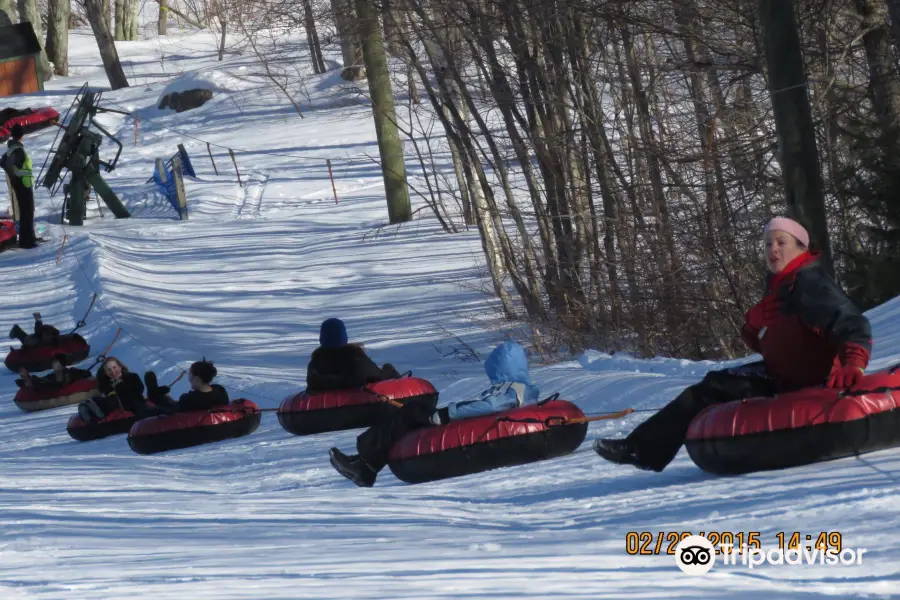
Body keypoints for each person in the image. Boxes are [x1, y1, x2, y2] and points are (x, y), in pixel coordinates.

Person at [594, 216, 873, 473]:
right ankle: (641, 449)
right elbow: (766, 342)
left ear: (801, 248)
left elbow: (851, 324)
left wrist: (854, 362)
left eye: (781, 242)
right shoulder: (780, 283)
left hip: (810, 380)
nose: (773, 249)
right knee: (715, 381)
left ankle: (639, 450)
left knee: (708, 391)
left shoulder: (811, 282)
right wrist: (752, 325)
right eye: (767, 244)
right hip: (781, 373)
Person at [329, 341, 541, 487]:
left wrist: (449, 413)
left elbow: (489, 405)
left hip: (465, 423)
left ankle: (364, 465)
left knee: (411, 411)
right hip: (471, 422)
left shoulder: (509, 388)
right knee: (409, 418)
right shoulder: (524, 388)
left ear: (501, 366)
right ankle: (365, 464)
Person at [306, 318, 401, 393]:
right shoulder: (354, 356)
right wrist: (390, 371)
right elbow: (374, 375)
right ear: (344, 337)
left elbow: (314, 383)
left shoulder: (316, 361)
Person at [78, 357, 150, 423]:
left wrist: (122, 385)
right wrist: (115, 387)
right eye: (109, 370)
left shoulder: (132, 376)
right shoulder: (105, 382)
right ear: (105, 372)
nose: (112, 371)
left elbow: (139, 389)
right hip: (118, 406)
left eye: (114, 367)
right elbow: (108, 395)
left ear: (120, 367)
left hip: (135, 404)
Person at [143, 359, 230, 413]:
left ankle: (153, 392)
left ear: (196, 379)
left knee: (162, 402)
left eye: (190, 375)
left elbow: (174, 411)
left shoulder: (189, 399)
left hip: (179, 409)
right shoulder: (220, 391)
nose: (189, 378)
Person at [0, 124, 36, 249]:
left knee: (25, 212)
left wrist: (13, 177)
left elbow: (3, 162)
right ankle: (28, 242)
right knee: (28, 212)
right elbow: (7, 164)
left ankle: (27, 240)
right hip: (23, 185)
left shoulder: (12, 148)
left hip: (20, 184)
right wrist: (16, 178)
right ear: (21, 136)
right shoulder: (17, 149)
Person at [16, 354, 92, 390]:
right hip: (51, 382)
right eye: (53, 364)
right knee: (45, 380)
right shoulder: (54, 374)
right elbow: (44, 379)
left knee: (53, 381)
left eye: (56, 363)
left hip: (59, 384)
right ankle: (28, 380)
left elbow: (87, 374)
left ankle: (29, 380)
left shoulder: (72, 371)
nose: (53, 366)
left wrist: (84, 373)